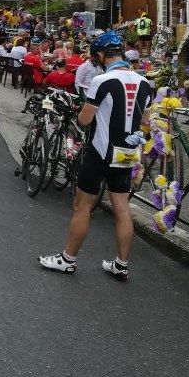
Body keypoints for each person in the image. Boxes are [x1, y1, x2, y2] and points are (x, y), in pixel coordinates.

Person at [38, 30, 153, 280]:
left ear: (101, 55)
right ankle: (121, 264)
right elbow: (145, 121)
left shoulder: (102, 81)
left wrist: (85, 113)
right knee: (122, 208)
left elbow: (84, 118)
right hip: (128, 152)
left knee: (82, 206)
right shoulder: (145, 82)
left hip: (101, 151)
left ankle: (68, 259)